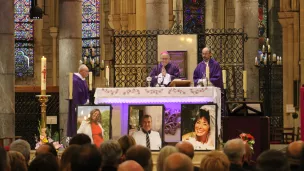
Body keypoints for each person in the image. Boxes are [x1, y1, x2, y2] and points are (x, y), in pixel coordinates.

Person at [67, 64, 90, 137]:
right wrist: (78, 105)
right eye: (87, 71)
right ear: (81, 71)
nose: (88, 73)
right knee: (75, 123)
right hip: (78, 105)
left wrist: (87, 99)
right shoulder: (75, 80)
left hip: (83, 105)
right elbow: (76, 93)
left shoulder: (82, 79)